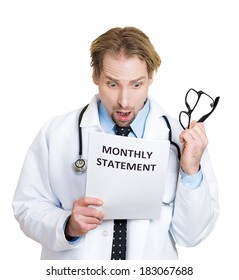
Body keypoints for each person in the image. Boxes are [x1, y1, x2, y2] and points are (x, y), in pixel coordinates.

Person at [12, 26, 219, 260]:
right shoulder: (57, 133)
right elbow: (27, 206)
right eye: (112, 84)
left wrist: (191, 170)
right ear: (95, 76)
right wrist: (67, 225)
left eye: (136, 84)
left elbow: (192, 236)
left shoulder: (182, 140)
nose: (124, 101)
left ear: (151, 77)